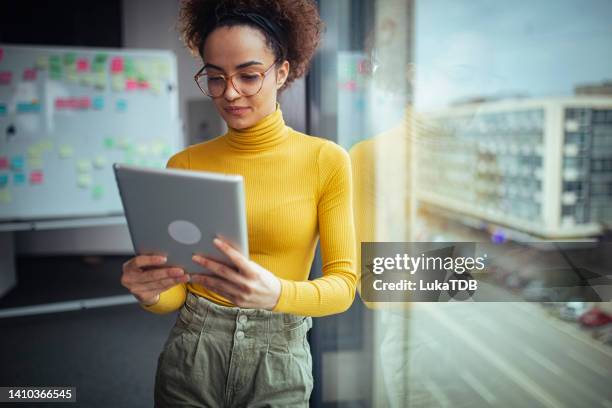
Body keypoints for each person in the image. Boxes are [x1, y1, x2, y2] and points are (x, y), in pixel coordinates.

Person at [119, 0, 357, 406]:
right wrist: (150, 292)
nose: (230, 93)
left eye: (248, 76)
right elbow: (179, 291)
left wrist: (275, 293)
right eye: (215, 78)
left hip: (277, 352)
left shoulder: (325, 160)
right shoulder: (185, 163)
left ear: (282, 73)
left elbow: (344, 287)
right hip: (193, 349)